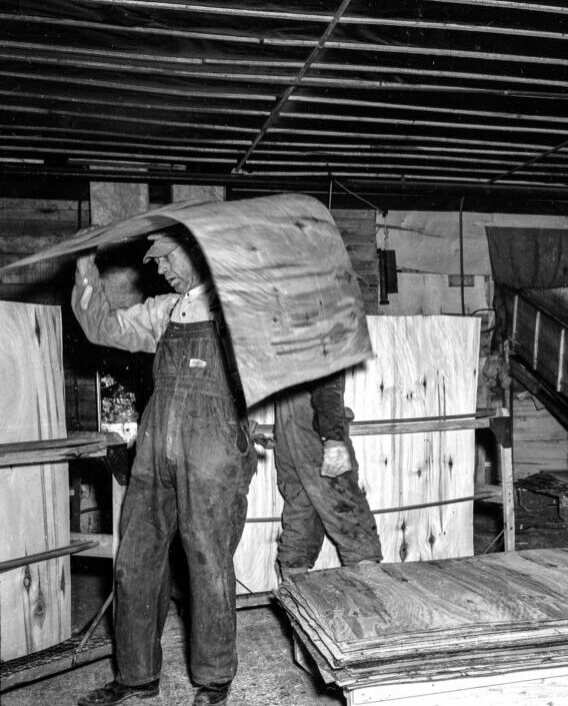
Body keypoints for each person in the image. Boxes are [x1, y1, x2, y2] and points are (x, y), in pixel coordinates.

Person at [73, 231, 256, 706]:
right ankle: (136, 676)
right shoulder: (165, 310)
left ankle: (214, 679)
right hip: (156, 444)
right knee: (135, 558)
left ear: (198, 253)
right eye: (156, 263)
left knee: (207, 560)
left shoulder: (236, 307)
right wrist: (85, 268)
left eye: (168, 259)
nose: (160, 270)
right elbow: (104, 327)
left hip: (211, 447)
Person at [272, 371, 382, 580]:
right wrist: (332, 436)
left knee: (301, 507)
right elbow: (328, 376)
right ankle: (376, 604)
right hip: (312, 417)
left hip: (286, 418)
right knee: (348, 511)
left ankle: (295, 591)